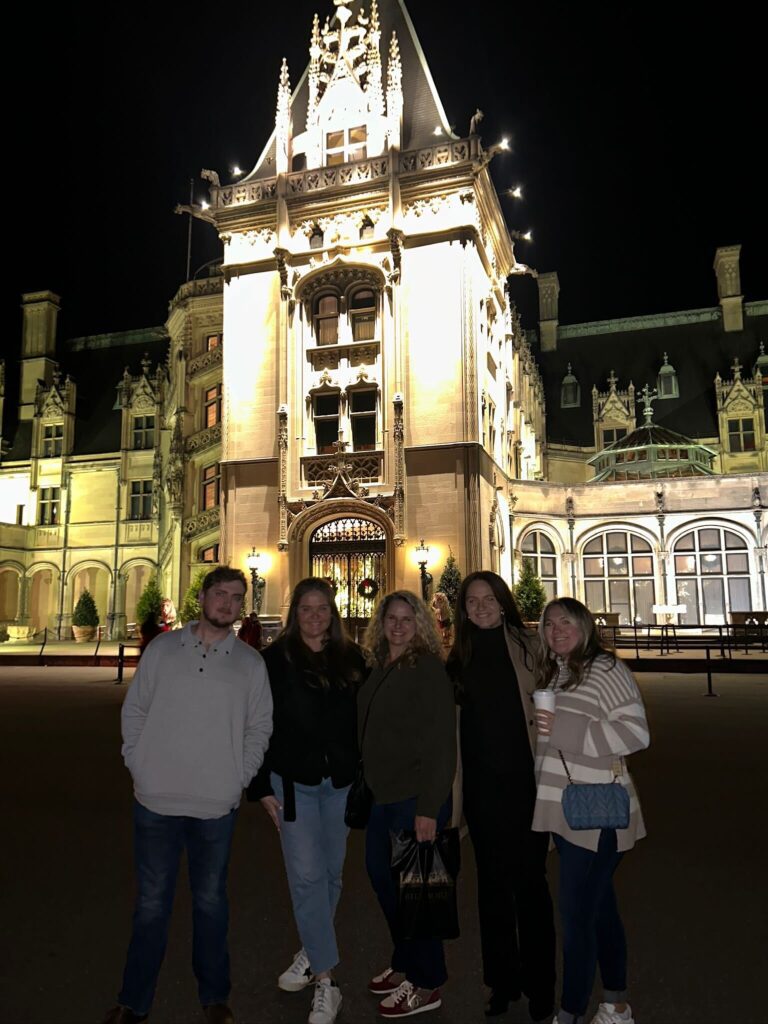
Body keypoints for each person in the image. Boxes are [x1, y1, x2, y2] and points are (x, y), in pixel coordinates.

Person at [102, 567, 273, 1024]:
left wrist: (238, 776)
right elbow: (135, 710)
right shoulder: (163, 649)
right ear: (202, 597)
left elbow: (259, 727)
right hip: (156, 799)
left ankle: (214, 997)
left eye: (236, 597)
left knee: (211, 903)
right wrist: (139, 763)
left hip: (215, 804)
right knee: (151, 905)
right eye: (220, 594)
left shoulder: (250, 664)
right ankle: (134, 1000)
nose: (227, 603)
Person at [246, 578, 366, 1024]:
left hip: (339, 784)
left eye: (322, 609)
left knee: (331, 875)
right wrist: (259, 784)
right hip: (292, 784)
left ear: (332, 613)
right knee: (307, 877)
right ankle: (326, 980)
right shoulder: (274, 661)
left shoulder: (353, 659)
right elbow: (257, 723)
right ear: (294, 613)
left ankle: (313, 950)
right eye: (306, 609)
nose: (315, 616)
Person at [532, 598, 649, 1024]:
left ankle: (571, 1012)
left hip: (597, 813)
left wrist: (562, 729)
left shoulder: (606, 668)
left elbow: (636, 733)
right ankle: (616, 1004)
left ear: (585, 626)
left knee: (577, 916)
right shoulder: (558, 672)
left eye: (566, 622)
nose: (557, 629)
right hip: (568, 812)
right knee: (599, 909)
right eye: (549, 624)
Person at [446, 571, 556, 1023]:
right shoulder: (458, 656)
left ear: (503, 601)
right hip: (480, 789)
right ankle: (503, 982)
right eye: (472, 600)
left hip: (525, 785)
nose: (480, 607)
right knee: (491, 887)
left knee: (530, 884)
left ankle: (541, 985)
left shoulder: (531, 647)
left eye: (488, 598)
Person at [359, 590, 456, 1019]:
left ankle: (427, 980)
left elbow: (441, 743)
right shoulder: (380, 664)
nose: (398, 626)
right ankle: (405, 960)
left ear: (420, 624)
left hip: (414, 797)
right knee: (384, 881)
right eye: (391, 618)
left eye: (407, 619)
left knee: (415, 894)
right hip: (382, 796)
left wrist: (430, 807)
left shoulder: (428, 669)